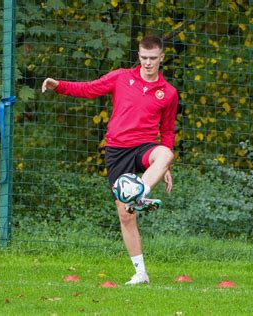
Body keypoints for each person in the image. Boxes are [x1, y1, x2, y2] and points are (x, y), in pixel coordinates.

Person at [42, 35, 178, 285]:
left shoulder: (168, 93)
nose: (148, 63)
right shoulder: (121, 77)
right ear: (139, 56)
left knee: (166, 153)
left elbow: (167, 131)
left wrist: (164, 166)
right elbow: (88, 89)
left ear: (162, 58)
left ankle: (139, 193)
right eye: (143, 57)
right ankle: (141, 273)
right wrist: (58, 85)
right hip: (117, 151)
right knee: (126, 216)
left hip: (145, 147)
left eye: (153, 58)